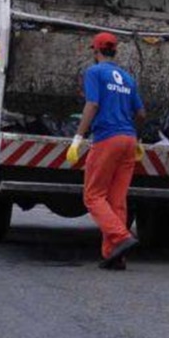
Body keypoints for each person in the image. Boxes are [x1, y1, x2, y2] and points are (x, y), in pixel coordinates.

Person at [67, 32, 146, 270]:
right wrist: (138, 138)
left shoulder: (94, 73)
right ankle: (115, 255)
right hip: (129, 141)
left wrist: (77, 138)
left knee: (93, 196)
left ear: (96, 51)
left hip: (107, 139)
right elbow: (141, 114)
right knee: (116, 200)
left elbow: (92, 104)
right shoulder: (128, 78)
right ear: (115, 52)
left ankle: (120, 237)